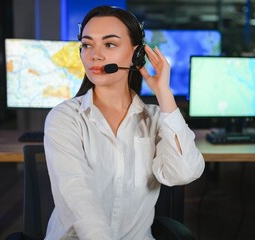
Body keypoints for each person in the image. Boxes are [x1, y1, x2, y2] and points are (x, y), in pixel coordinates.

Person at [44, 5, 205, 240]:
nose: (94, 55)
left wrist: (164, 95)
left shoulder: (154, 118)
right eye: (87, 45)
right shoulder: (65, 118)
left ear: (136, 54)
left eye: (109, 44)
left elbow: (184, 173)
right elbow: (79, 199)